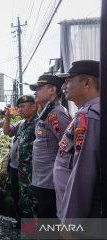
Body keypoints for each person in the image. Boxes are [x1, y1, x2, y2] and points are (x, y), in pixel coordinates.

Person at [53, 60, 100, 223]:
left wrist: (70, 222)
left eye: (68, 80)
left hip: (82, 219)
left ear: (87, 82)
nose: (64, 86)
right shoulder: (86, 113)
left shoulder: (89, 116)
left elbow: (83, 173)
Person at [29, 74, 71, 219]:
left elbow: (68, 148)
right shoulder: (47, 112)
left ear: (52, 90)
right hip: (42, 180)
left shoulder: (56, 114)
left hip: (50, 183)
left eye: (39, 88)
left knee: (48, 221)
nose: (35, 92)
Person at [3, 95, 38, 222]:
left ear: (33, 107)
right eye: (18, 107)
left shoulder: (39, 123)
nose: (20, 110)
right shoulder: (21, 123)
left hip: (30, 171)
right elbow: (7, 132)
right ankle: (20, 222)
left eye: (23, 106)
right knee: (17, 197)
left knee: (30, 204)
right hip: (15, 168)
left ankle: (30, 232)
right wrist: (7, 117)